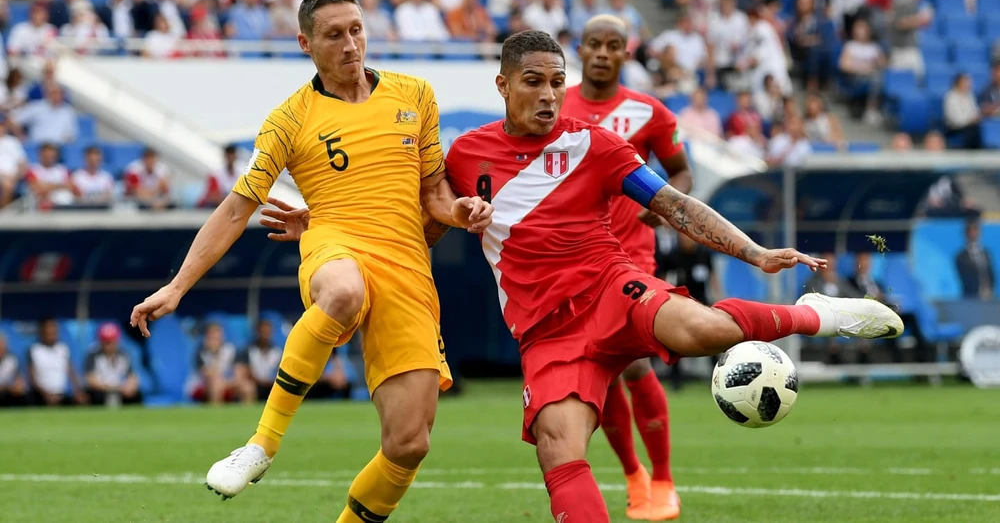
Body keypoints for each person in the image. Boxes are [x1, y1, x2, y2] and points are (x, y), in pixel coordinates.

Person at [264, 30, 905, 522]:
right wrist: (326, 223)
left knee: (704, 332)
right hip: (545, 333)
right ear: (503, 85)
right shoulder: (465, 155)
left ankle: (816, 313)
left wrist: (758, 254)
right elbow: (420, 219)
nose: (548, 94)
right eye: (534, 82)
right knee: (557, 446)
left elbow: (674, 205)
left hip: (610, 289)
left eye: (556, 82)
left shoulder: (593, 145)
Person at [129, 0, 494, 523]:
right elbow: (235, 209)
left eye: (356, 30)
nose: (351, 45)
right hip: (334, 242)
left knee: (409, 442)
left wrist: (462, 212)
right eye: (334, 35)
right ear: (305, 44)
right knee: (344, 292)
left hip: (408, 266)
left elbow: (434, 192)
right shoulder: (289, 118)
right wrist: (177, 286)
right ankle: (261, 444)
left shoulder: (415, 95)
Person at [560, 15, 692, 521]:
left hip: (631, 254)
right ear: (581, 48)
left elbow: (680, 171)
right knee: (605, 370)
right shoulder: (557, 105)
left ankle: (663, 480)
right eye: (594, 44)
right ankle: (634, 476)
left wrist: (655, 206)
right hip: (574, 258)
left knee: (634, 361)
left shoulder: (648, 112)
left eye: (613, 46)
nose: (601, 53)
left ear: (625, 54)